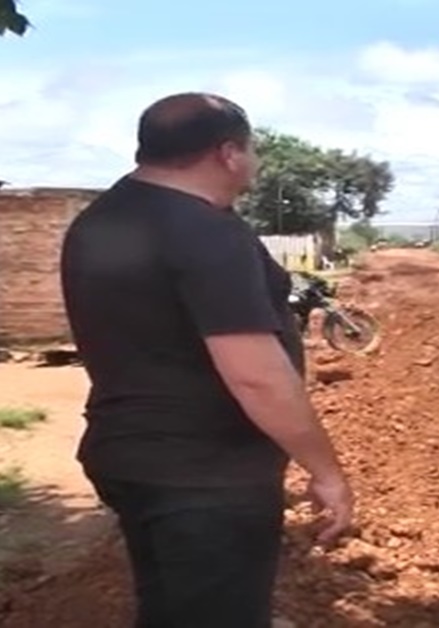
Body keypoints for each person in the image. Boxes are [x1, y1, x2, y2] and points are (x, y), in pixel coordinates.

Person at [59, 92, 354, 628]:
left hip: (128, 453)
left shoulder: (98, 222)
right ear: (228, 154)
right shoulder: (205, 231)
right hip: (207, 474)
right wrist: (326, 470)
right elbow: (256, 376)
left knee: (172, 610)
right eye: (252, 150)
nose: (255, 162)